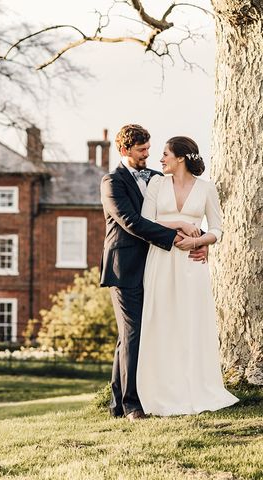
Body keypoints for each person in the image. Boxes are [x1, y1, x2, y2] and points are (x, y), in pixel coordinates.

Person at [99, 124, 206, 421]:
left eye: (149, 148)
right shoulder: (112, 182)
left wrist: (201, 240)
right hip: (125, 268)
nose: (148, 154)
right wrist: (175, 237)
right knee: (133, 333)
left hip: (157, 267)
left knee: (134, 335)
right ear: (124, 151)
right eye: (141, 150)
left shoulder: (159, 179)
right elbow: (131, 221)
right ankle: (132, 405)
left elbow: (177, 216)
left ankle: (118, 404)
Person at [136, 136, 238, 415]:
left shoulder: (206, 188)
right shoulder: (157, 184)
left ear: (181, 157)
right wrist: (179, 224)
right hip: (161, 261)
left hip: (192, 264)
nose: (161, 159)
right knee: (163, 321)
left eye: (166, 154)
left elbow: (217, 229)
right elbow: (146, 222)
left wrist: (198, 243)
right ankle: (161, 388)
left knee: (191, 322)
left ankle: (196, 386)